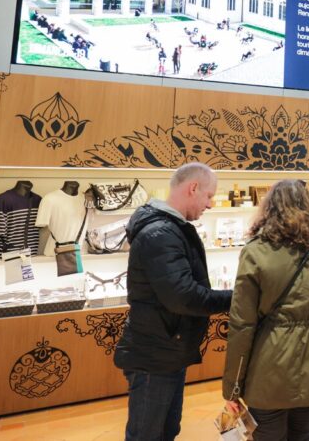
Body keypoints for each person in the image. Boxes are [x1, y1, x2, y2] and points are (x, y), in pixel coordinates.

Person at [114, 163, 234, 441]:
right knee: (148, 433)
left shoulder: (169, 229)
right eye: (209, 196)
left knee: (166, 430)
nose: (211, 204)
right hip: (156, 354)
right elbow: (183, 296)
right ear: (193, 188)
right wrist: (238, 297)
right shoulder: (161, 233)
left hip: (166, 350)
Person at [222, 180, 309, 441]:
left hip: (270, 368)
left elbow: (242, 325)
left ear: (268, 209)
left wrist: (233, 387)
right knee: (304, 435)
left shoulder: (255, 252)